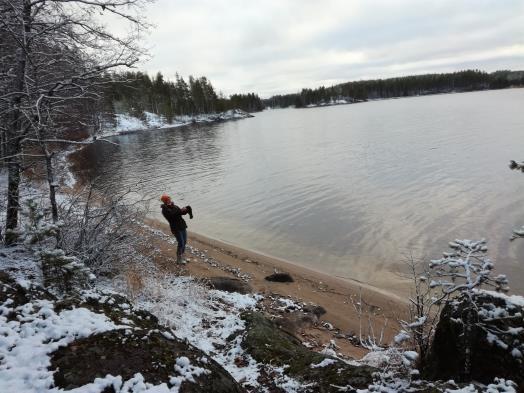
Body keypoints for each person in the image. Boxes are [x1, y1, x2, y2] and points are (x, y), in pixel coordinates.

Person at [160, 194, 193, 264]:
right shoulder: (164, 210)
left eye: (169, 199)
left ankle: (183, 256)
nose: (169, 200)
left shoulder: (174, 206)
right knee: (181, 243)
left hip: (182, 226)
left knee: (184, 242)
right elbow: (172, 215)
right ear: (164, 201)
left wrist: (186, 210)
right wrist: (178, 209)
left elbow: (180, 213)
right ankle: (179, 260)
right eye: (167, 200)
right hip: (175, 228)